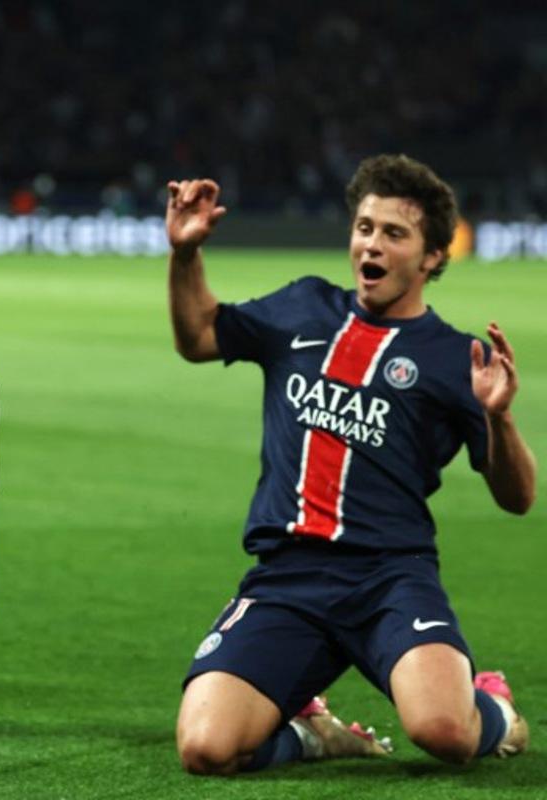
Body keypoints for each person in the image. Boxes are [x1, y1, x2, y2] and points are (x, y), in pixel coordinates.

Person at [167, 154, 536, 775]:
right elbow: (199, 336)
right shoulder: (303, 308)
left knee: (444, 731)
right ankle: (315, 733)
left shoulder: (454, 359)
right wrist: (184, 254)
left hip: (390, 577)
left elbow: (517, 496)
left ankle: (492, 706)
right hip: (288, 578)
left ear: (433, 257)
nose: (372, 244)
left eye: (395, 233)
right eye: (365, 227)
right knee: (205, 747)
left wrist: (499, 417)